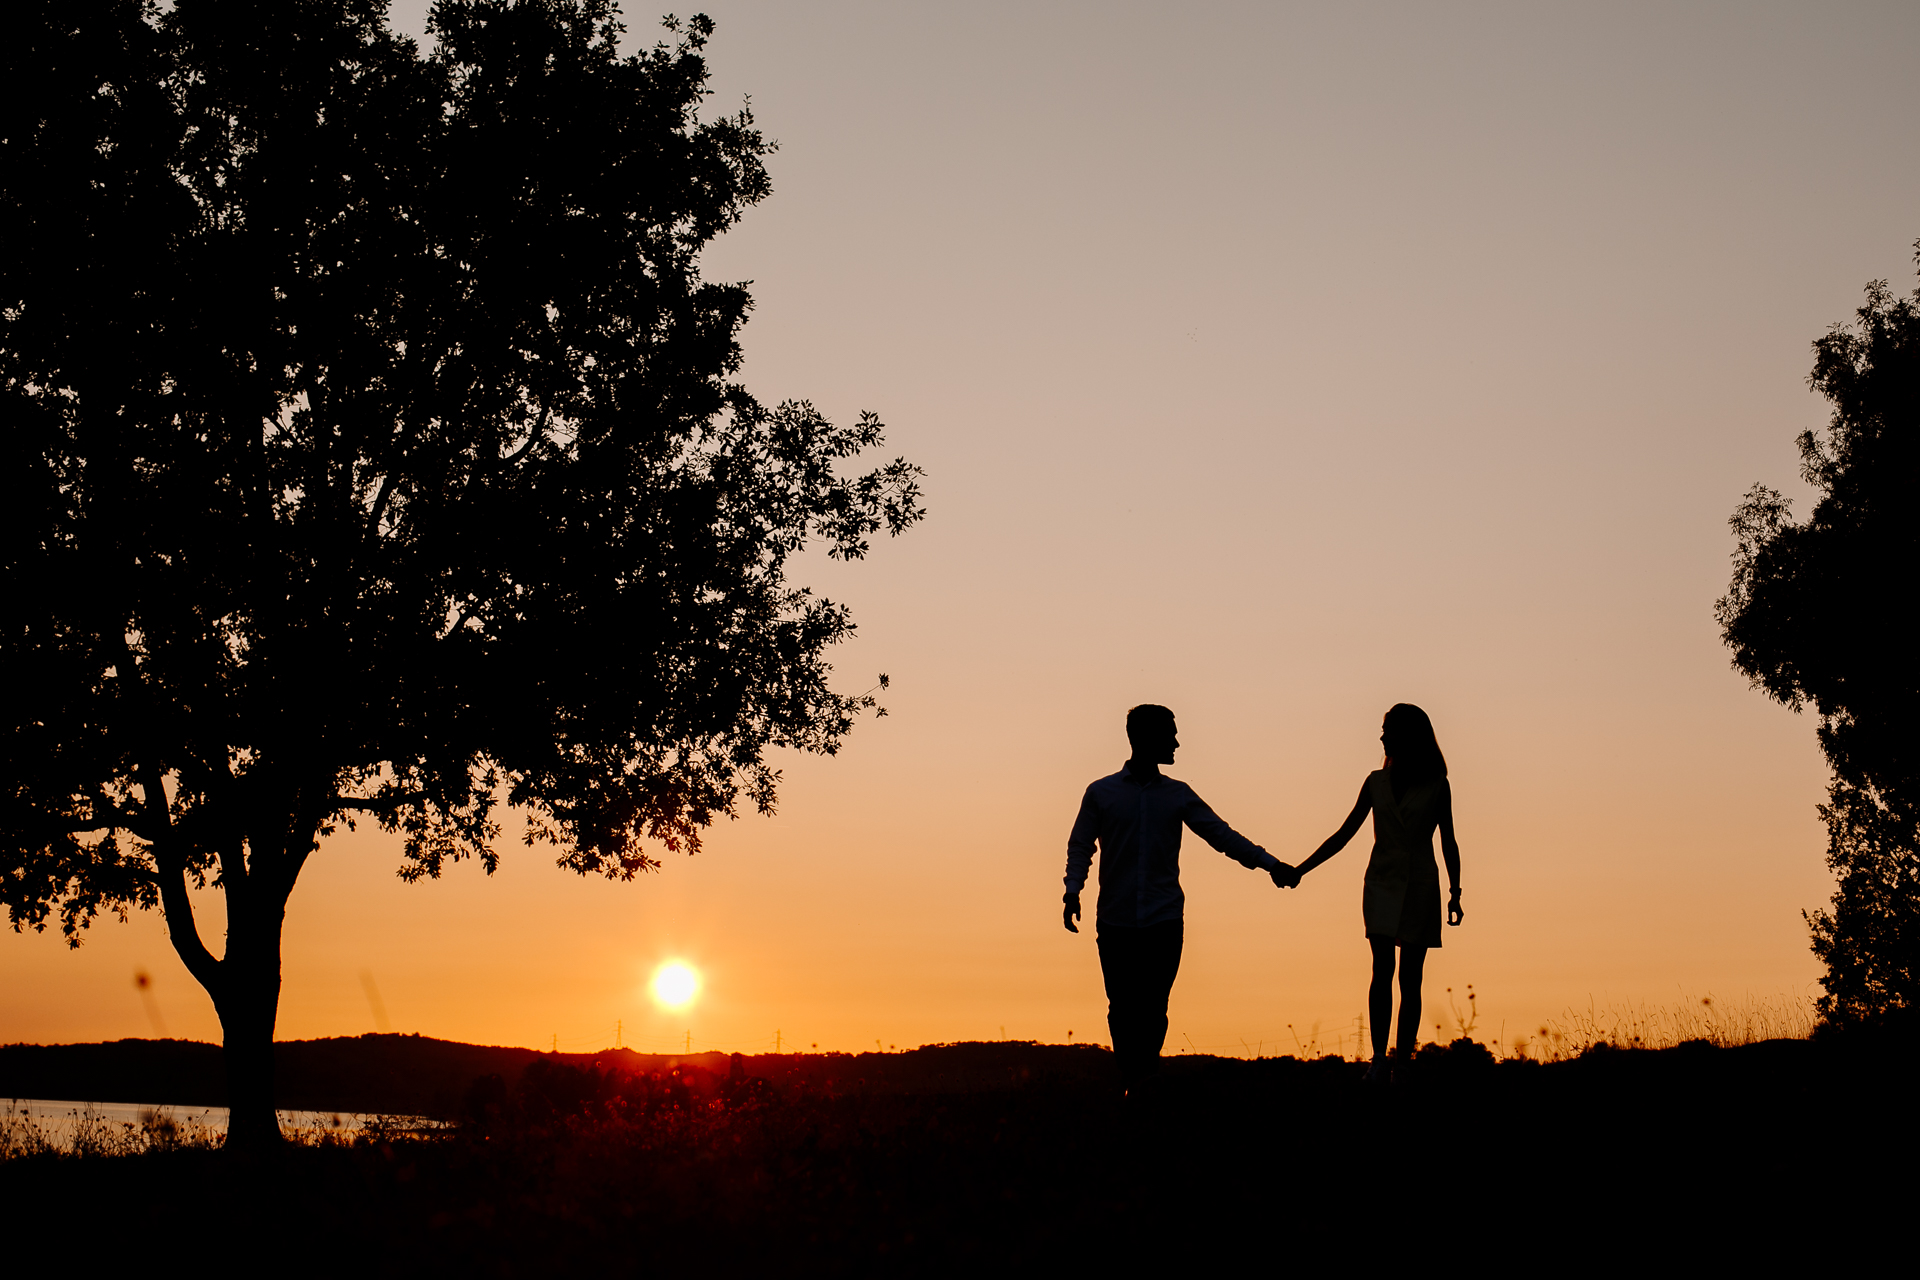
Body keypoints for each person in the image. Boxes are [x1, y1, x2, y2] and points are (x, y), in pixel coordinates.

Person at [1064, 704, 1295, 1092]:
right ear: (1144, 739)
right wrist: (1073, 890)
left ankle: (1143, 1079)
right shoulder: (1101, 793)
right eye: (1169, 734)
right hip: (1117, 920)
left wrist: (1270, 864)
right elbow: (1080, 845)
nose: (1176, 742)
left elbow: (1221, 835)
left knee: (1153, 1006)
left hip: (1163, 919)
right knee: (1122, 1007)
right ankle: (1135, 1077)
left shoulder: (1178, 795)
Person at [1287, 703, 1462, 1081]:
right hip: (1381, 882)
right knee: (1381, 968)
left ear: (1410, 736)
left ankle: (1402, 1062)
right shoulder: (1374, 782)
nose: (1382, 736)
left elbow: (1448, 840)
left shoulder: (1437, 785)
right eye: (1383, 729)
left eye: (1390, 729)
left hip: (1420, 884)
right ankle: (1378, 1059)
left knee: (1410, 978)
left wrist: (1455, 891)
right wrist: (1302, 868)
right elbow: (1344, 833)